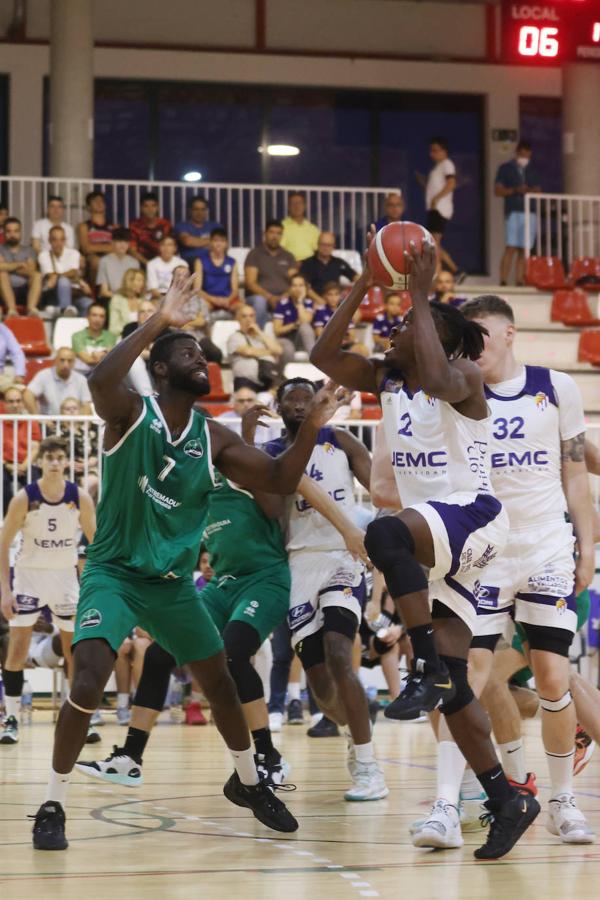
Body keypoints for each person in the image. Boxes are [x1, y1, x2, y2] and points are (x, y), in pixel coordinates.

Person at [29, 268, 342, 850]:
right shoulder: (129, 412)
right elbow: (101, 377)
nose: (204, 361)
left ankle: (248, 781)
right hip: (114, 573)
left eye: (203, 353)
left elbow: (277, 478)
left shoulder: (214, 436)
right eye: (190, 353)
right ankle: (52, 801)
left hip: (173, 584)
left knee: (220, 681)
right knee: (92, 672)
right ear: (162, 369)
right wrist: (160, 322)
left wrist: (312, 429)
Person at [310, 233, 540, 859]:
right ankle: (506, 797)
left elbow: (435, 372)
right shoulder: (389, 379)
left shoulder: (462, 376)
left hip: (474, 520)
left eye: (405, 324)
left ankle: (424, 667)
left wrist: (420, 291)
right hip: (434, 546)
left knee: (381, 530)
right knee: (461, 693)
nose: (392, 330)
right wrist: (363, 281)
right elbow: (322, 352)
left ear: (433, 332)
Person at [454, 294, 595, 843]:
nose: (473, 345)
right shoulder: (458, 393)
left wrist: (587, 547)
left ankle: (565, 801)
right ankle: (481, 791)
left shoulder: (555, 385)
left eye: (480, 333)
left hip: (545, 547)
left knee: (554, 676)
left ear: (509, 333)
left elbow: (577, 475)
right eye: (464, 335)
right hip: (483, 553)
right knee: (467, 677)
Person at [264, 378, 388, 801]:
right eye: (291, 399)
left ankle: (369, 767)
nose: (299, 405)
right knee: (322, 689)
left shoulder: (344, 441)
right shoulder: (272, 453)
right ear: (277, 406)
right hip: (299, 564)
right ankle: (357, 724)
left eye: (307, 398)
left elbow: (382, 492)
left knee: (340, 653)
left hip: (343, 553)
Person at [0, 437, 96, 745]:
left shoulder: (79, 497)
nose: (55, 462)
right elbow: (2, 546)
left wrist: (98, 584)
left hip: (65, 577)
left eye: (59, 457)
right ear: (40, 461)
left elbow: (97, 544)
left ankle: (79, 718)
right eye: (49, 457)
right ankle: (11, 718)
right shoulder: (24, 498)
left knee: (73, 651)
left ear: (66, 462)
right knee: (16, 649)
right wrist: (4, 590)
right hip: (29, 577)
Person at [494, 141, 542, 286]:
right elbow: (498, 190)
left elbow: (538, 189)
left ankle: (519, 279)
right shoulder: (506, 168)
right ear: (517, 152)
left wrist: (531, 190)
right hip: (514, 211)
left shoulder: (534, 169)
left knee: (524, 248)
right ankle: (503, 280)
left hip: (530, 211)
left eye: (527, 154)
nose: (525, 157)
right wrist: (516, 190)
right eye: (522, 154)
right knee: (511, 246)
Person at [244, 221, 297, 328]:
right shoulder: (254, 254)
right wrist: (270, 297)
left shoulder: (288, 256)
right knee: (260, 301)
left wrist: (284, 297)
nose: (275, 236)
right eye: (272, 232)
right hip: (259, 298)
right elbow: (250, 283)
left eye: (278, 233)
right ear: (265, 234)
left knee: (299, 300)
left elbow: (295, 281)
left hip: (284, 298)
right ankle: (256, 335)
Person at [421, 137, 461, 277]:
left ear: (444, 151)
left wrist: (436, 199)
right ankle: (456, 271)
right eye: (431, 151)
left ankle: (437, 271)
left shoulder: (447, 164)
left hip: (439, 208)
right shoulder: (437, 168)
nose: (432, 154)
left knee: (434, 242)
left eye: (436, 150)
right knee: (434, 242)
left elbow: (451, 183)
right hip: (434, 208)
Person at [2, 385, 42, 513]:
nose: (15, 405)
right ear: (4, 403)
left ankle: (33, 517)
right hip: (4, 465)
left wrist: (23, 466)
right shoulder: (0, 421)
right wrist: (8, 466)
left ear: (23, 403)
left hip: (26, 464)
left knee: (35, 481)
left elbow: (35, 448)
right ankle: (7, 518)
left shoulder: (31, 421)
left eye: (18, 401)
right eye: (11, 401)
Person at [38, 225, 93, 316]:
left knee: (88, 304)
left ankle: (81, 328)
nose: (58, 243)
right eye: (54, 239)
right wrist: (75, 279)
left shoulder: (73, 253)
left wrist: (58, 275)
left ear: (65, 240)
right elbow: (51, 275)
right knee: (63, 281)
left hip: (74, 294)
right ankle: (65, 313)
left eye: (61, 239)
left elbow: (73, 272)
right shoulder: (44, 255)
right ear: (49, 241)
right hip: (53, 295)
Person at [227, 304, 284, 387]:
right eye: (244, 316)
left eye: (251, 316)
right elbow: (248, 352)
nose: (248, 319)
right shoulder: (234, 337)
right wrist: (271, 352)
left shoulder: (263, 337)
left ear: (255, 318)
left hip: (266, 380)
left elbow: (279, 351)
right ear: (238, 319)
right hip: (245, 381)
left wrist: (259, 332)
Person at [28, 348, 92, 415]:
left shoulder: (81, 379)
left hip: (74, 423)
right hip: (50, 423)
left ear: (74, 363)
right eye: (62, 360)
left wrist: (84, 425)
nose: (66, 365)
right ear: (55, 361)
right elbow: (28, 394)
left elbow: (86, 406)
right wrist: (38, 417)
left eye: (69, 361)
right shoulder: (44, 375)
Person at [300, 232, 358, 303]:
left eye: (329, 245)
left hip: (335, 302)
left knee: (357, 313)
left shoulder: (338, 262)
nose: (326, 248)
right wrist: (321, 302)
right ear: (317, 245)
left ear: (333, 246)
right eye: (323, 244)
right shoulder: (307, 263)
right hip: (314, 303)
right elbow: (305, 287)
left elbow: (355, 276)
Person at [0, 217, 42, 316]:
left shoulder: (29, 250)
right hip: (2, 291)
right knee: (2, 274)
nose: (12, 235)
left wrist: (7, 266)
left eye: (16, 231)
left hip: (25, 290)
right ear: (4, 233)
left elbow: (31, 270)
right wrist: (20, 264)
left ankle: (31, 309)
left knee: (37, 275)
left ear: (20, 232)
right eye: (9, 231)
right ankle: (12, 310)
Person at [313, 283, 367, 356]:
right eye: (330, 295)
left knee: (362, 349)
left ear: (340, 296)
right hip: (327, 345)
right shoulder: (321, 311)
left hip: (343, 344)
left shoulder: (344, 311)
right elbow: (320, 334)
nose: (333, 298)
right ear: (325, 296)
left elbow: (352, 334)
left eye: (336, 295)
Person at [273, 274, 315, 365]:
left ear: (305, 288)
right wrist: (294, 325)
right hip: (285, 339)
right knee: (288, 347)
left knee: (305, 327)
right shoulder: (282, 304)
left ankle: (314, 363)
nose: (298, 288)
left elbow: (305, 322)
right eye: (294, 285)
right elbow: (277, 330)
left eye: (301, 285)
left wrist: (300, 302)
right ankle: (285, 376)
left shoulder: (308, 302)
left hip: (300, 339)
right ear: (290, 288)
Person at [195, 227, 238, 317]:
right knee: (202, 310)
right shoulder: (200, 261)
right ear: (210, 243)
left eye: (222, 241)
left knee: (244, 310)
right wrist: (213, 299)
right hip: (207, 299)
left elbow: (235, 290)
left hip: (228, 300)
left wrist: (227, 300)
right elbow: (197, 289)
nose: (219, 244)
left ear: (226, 244)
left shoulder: (232, 262)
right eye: (215, 240)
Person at [76, 191, 115, 282]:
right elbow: (86, 248)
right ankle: (97, 292)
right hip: (91, 258)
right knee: (97, 261)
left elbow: (117, 247)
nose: (99, 203)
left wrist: (96, 247)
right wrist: (108, 247)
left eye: (101, 201)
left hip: (110, 256)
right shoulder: (83, 226)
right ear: (89, 207)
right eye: (95, 201)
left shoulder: (113, 226)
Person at [175, 195, 221, 269]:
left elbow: (222, 244)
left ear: (206, 211)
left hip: (212, 262)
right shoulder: (182, 226)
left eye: (203, 209)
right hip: (190, 263)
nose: (199, 212)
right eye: (196, 209)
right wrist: (212, 241)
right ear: (190, 210)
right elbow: (187, 241)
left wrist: (196, 241)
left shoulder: (215, 226)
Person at [71, 304, 117, 376]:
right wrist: (104, 354)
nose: (97, 319)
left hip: (104, 375)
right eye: (94, 315)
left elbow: (110, 358)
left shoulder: (111, 337)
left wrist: (99, 354)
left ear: (105, 319)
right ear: (87, 317)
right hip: (82, 375)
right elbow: (88, 360)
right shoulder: (77, 336)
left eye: (101, 316)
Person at [96, 228, 140, 302]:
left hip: (130, 298)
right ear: (112, 243)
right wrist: (120, 299)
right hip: (111, 298)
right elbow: (103, 291)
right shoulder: (104, 261)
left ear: (129, 244)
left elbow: (136, 289)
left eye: (126, 242)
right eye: (119, 241)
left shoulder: (134, 263)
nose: (122, 245)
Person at [129, 192, 172, 266]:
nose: (150, 209)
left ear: (158, 207)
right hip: (141, 263)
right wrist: (149, 264)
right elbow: (132, 250)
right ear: (141, 208)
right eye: (146, 206)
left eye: (153, 206)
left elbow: (170, 247)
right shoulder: (134, 225)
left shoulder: (165, 224)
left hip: (162, 263)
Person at [281, 192, 320, 263]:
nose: (297, 206)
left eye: (299, 203)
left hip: (310, 265)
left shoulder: (313, 229)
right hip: (289, 265)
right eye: (293, 203)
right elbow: (280, 251)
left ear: (305, 206)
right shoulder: (282, 226)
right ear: (289, 207)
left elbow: (318, 251)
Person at [108, 269, 147, 336]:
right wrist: (130, 332)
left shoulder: (143, 300)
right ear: (129, 281)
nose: (142, 283)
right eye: (139, 280)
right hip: (122, 338)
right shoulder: (117, 300)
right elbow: (113, 327)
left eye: (143, 281)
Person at [0, 318, 27, 390]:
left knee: (22, 390)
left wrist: (19, 374)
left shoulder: (3, 330)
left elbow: (17, 353)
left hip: (0, 377)